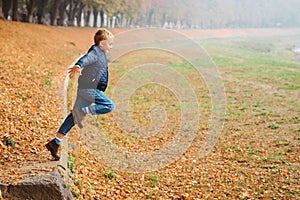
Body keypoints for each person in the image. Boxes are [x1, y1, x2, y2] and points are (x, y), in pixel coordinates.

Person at [45, 28, 115, 161]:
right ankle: (84, 110)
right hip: (89, 89)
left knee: (73, 117)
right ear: (101, 43)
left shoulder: (101, 53)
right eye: (109, 44)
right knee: (109, 105)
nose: (111, 47)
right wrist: (79, 65)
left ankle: (55, 143)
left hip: (84, 88)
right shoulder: (96, 51)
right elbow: (87, 58)